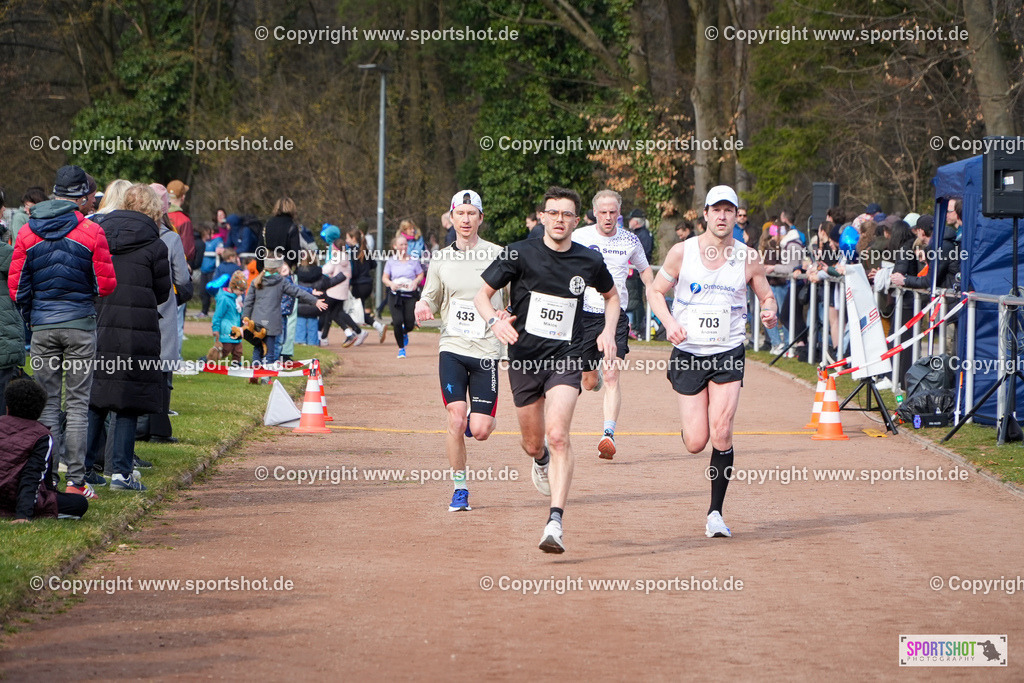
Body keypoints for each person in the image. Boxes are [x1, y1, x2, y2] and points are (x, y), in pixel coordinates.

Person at [475, 186, 617, 554]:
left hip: (565, 357)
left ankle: (555, 520)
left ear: (576, 220)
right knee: (534, 443)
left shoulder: (588, 260)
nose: (559, 219)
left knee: (558, 436)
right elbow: (481, 295)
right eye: (553, 212)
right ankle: (539, 461)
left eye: (567, 214)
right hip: (524, 357)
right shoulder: (519, 252)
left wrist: (608, 331)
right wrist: (494, 322)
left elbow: (611, 296)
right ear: (542, 216)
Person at [646, 185, 778, 539]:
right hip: (689, 354)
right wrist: (669, 322)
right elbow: (655, 292)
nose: (722, 217)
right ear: (704, 214)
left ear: (737, 216)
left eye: (728, 211)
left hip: (728, 351)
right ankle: (692, 425)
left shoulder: (748, 257)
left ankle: (715, 513)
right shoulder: (681, 252)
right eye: (716, 210)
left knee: (722, 431)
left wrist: (769, 311)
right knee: (696, 441)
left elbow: (766, 295)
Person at [8, 165, 117, 497]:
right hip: (81, 326)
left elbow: (16, 288)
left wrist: (34, 310)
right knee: (79, 403)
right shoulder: (91, 232)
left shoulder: (27, 232)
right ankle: (76, 482)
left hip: (42, 329)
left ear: (55, 193)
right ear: (82, 197)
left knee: (49, 404)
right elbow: (106, 284)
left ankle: (46, 480)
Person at [414, 190, 505, 512]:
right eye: (460, 213)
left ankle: (474, 421)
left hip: (487, 350)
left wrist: (508, 314)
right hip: (452, 345)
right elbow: (432, 297)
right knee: (455, 417)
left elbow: (515, 297)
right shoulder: (440, 258)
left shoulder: (498, 254)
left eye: (472, 213)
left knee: (480, 430)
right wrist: (423, 306)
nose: (466, 219)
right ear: (451, 218)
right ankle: (460, 489)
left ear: (480, 217)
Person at [88, 184, 172, 492]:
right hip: (137, 327)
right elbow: (163, 291)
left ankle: (84, 470)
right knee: (127, 401)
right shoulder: (156, 245)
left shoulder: (98, 235)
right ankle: (121, 473)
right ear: (152, 210)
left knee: (95, 398)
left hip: (100, 322)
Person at [572, 189, 653, 459]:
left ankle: (608, 434)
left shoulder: (630, 240)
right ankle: (591, 376)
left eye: (613, 212)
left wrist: (653, 291)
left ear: (620, 213)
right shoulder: (579, 236)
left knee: (611, 376)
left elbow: (644, 270)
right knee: (588, 380)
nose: (608, 217)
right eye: (603, 212)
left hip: (615, 316)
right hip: (584, 315)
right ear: (594, 213)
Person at [1, 378, 89, 522]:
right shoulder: (41, 435)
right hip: (16, 498)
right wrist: (23, 515)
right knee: (79, 503)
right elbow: (32, 476)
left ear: (7, 406)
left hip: (13, 495)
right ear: (40, 410)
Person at [243, 257, 326, 366]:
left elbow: (248, 302)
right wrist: (314, 301)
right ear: (278, 268)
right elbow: (297, 292)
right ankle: (266, 378)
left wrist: (245, 318)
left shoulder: (256, 281)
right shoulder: (281, 282)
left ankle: (255, 372)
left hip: (258, 320)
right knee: (270, 351)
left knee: (258, 347)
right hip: (272, 321)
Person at [382, 235, 424, 358]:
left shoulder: (413, 260)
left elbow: (420, 274)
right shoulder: (391, 261)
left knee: (410, 323)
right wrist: (391, 284)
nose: (404, 247)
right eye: (401, 245)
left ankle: (404, 332)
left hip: (410, 295)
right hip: (396, 296)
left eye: (405, 244)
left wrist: (415, 282)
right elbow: (384, 278)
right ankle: (401, 349)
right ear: (395, 246)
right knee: (397, 322)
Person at [320, 239, 367, 347]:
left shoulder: (336, 257)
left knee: (331, 313)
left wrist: (320, 269)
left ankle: (349, 333)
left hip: (334, 289)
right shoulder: (346, 257)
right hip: (343, 289)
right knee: (335, 313)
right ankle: (326, 337)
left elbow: (326, 270)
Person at [212, 271, 249, 363]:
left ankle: (236, 364)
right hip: (226, 330)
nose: (242, 293)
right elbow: (218, 315)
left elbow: (237, 314)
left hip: (236, 330)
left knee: (238, 350)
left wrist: (241, 309)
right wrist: (215, 329)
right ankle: (208, 360)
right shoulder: (224, 299)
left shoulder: (236, 299)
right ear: (233, 287)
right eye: (241, 290)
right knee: (225, 350)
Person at [260, 197, 302, 271]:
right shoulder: (292, 227)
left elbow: (260, 249)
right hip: (284, 268)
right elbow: (295, 253)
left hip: (268, 268)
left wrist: (261, 269)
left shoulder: (267, 226)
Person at [167, 180, 195, 263]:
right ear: (183, 197)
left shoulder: (159, 215)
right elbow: (188, 251)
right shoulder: (184, 219)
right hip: (178, 264)